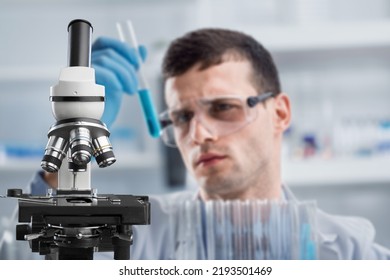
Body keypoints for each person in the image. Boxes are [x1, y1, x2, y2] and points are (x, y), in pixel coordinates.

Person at [29, 28, 390, 259]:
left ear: (279, 113)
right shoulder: (136, 235)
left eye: (223, 108)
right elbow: (29, 259)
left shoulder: (349, 253)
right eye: (182, 118)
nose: (198, 135)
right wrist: (77, 128)